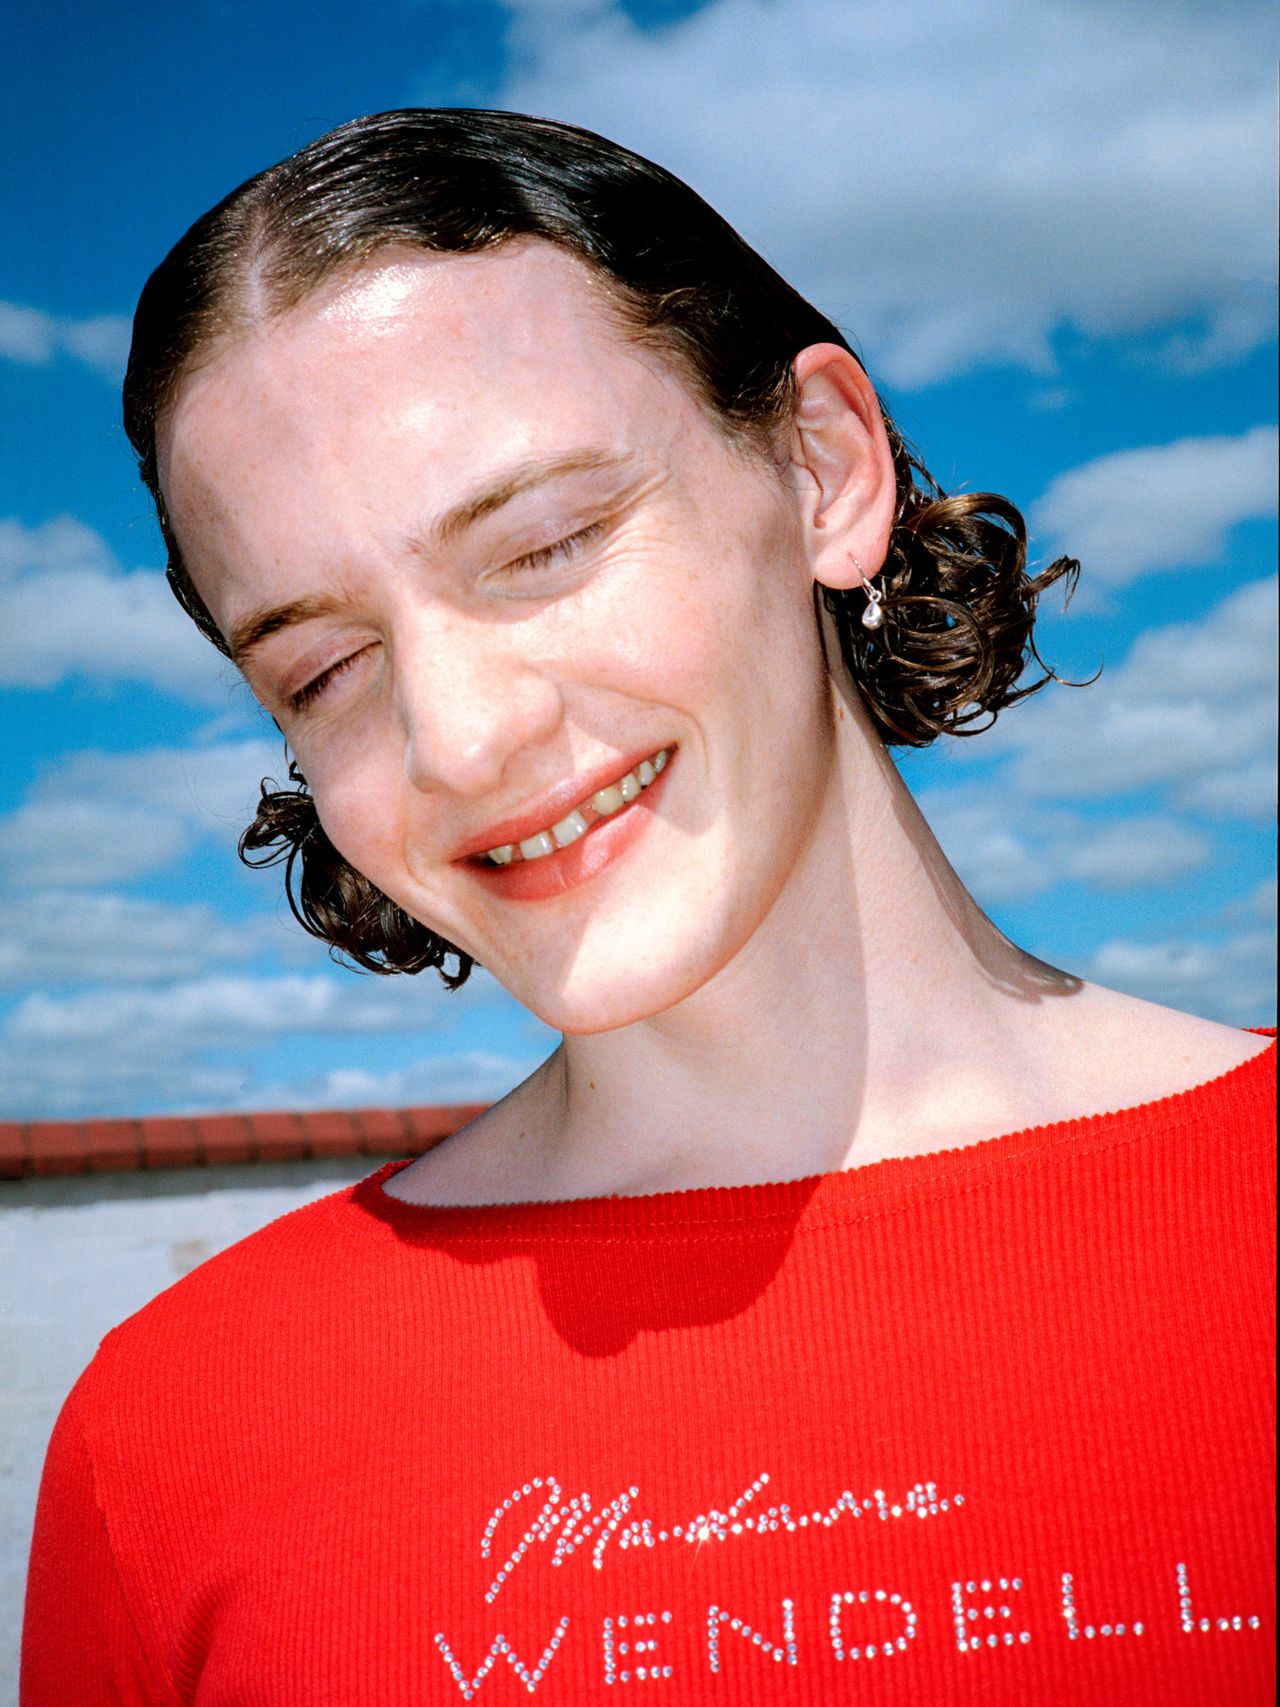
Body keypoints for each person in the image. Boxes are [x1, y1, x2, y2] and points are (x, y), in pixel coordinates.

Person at [21, 109, 1274, 1706]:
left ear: (822, 470)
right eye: (325, 670)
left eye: (543, 545)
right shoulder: (177, 1437)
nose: (459, 738)